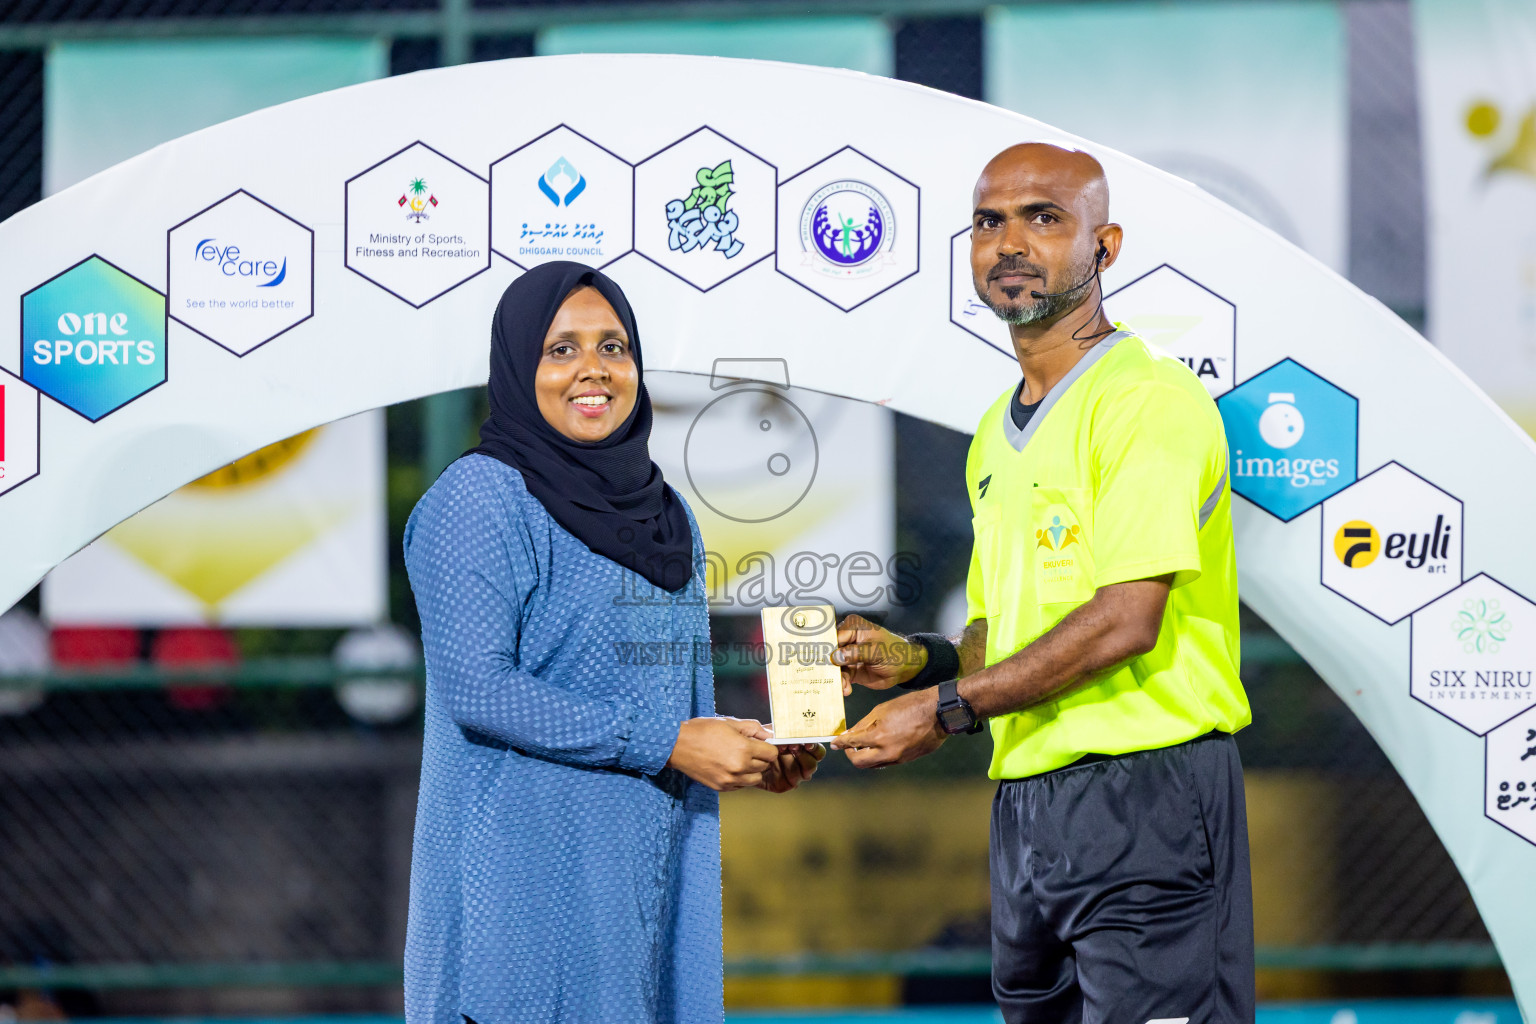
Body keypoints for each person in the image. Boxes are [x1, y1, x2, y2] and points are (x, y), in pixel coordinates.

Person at [830, 143, 1255, 1023]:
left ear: (1106, 246)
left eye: (1044, 218)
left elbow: (1126, 620)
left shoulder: (1146, 400)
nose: (1010, 242)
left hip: (1150, 792)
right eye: (989, 222)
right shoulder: (997, 429)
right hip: (1027, 807)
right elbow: (999, 635)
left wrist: (946, 709)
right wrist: (917, 663)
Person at [402, 262, 824, 1024]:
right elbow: (479, 689)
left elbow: (673, 703)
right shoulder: (479, 497)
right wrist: (672, 743)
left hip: (642, 892)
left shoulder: (668, 516)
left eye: (613, 347)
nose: (593, 369)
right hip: (519, 899)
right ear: (517, 366)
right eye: (560, 349)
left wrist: (745, 748)